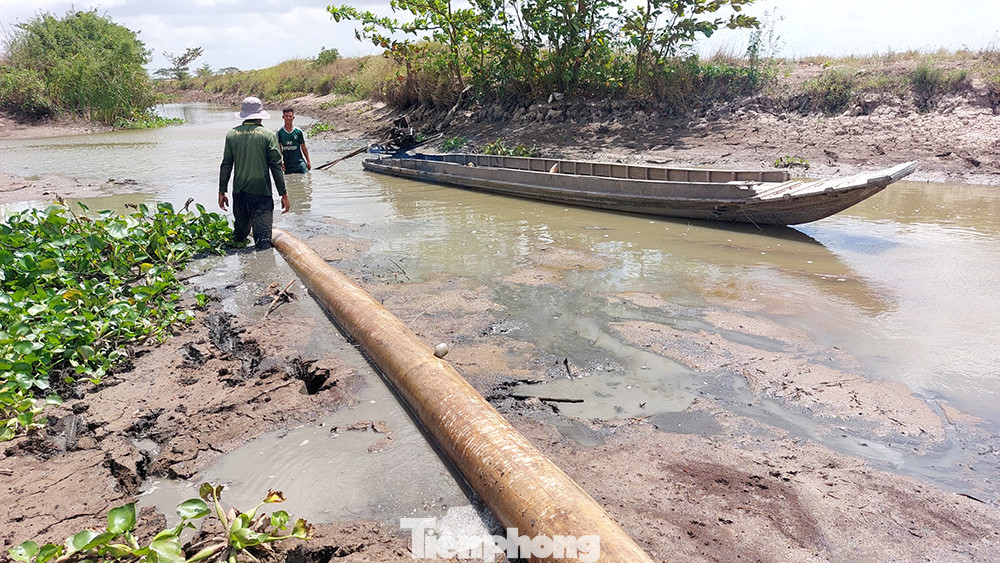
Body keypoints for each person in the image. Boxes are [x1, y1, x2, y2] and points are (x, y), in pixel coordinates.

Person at [219, 96, 290, 250]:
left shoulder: (232, 134)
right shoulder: (268, 135)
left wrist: (222, 191)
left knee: (239, 238)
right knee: (263, 242)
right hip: (261, 195)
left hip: (239, 194)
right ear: (260, 115)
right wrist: (283, 194)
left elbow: (226, 165)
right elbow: (276, 166)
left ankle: (244, 271)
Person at [277, 107, 311, 173]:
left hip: (300, 163)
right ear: (283, 117)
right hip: (287, 165)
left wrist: (308, 161)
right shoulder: (279, 132)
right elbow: (278, 149)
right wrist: (281, 163)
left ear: (293, 117)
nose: (288, 118)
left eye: (290, 116)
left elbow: (304, 147)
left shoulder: (298, 132)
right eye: (286, 116)